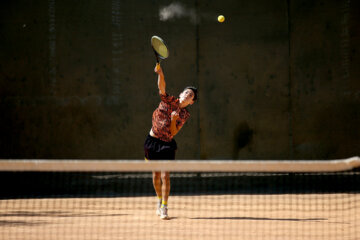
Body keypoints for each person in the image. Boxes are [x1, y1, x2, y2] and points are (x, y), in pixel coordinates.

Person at [144, 63, 198, 220]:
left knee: (165, 176)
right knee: (155, 176)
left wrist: (174, 120)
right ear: (181, 93)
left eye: (191, 96)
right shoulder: (168, 100)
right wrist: (160, 73)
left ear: (191, 102)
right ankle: (159, 200)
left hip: (166, 145)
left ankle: (164, 206)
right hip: (152, 141)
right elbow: (162, 87)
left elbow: (173, 132)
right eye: (186, 93)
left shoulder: (184, 115)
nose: (187, 96)